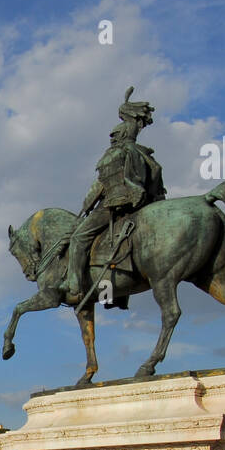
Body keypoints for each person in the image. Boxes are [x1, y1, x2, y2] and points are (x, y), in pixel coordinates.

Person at [59, 87, 166, 303]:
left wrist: (86, 206)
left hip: (115, 205)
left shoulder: (112, 156)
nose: (111, 140)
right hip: (141, 205)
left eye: (113, 137)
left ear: (119, 135)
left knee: (79, 238)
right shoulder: (145, 155)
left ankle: (74, 284)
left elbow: (98, 189)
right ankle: (117, 295)